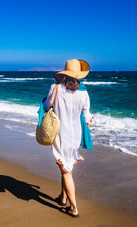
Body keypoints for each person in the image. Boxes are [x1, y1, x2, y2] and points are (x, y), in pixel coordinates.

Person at [43, 59, 93, 217]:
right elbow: (88, 118)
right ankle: (63, 198)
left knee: (66, 171)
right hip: (76, 136)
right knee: (67, 167)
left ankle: (74, 208)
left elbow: (46, 106)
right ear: (78, 75)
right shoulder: (84, 92)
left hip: (60, 135)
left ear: (65, 73)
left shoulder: (55, 88)